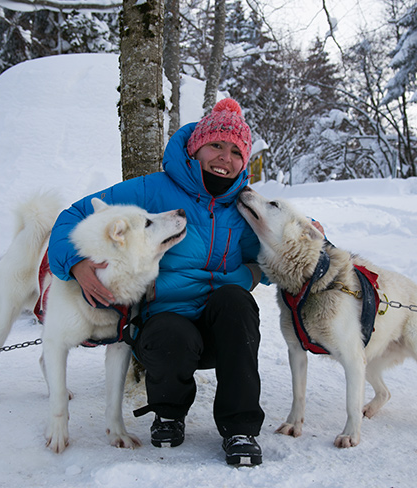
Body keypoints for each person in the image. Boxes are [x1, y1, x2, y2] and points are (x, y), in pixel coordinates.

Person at [48, 98, 266, 466]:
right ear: (196, 147)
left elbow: (282, 250)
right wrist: (77, 263)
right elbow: (74, 216)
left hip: (220, 328)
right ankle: (169, 412)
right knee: (169, 331)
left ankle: (240, 427)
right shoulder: (152, 190)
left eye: (235, 152)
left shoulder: (244, 207)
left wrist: (319, 250)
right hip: (165, 323)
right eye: (215, 145)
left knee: (237, 302)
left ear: (244, 160)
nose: (224, 159)